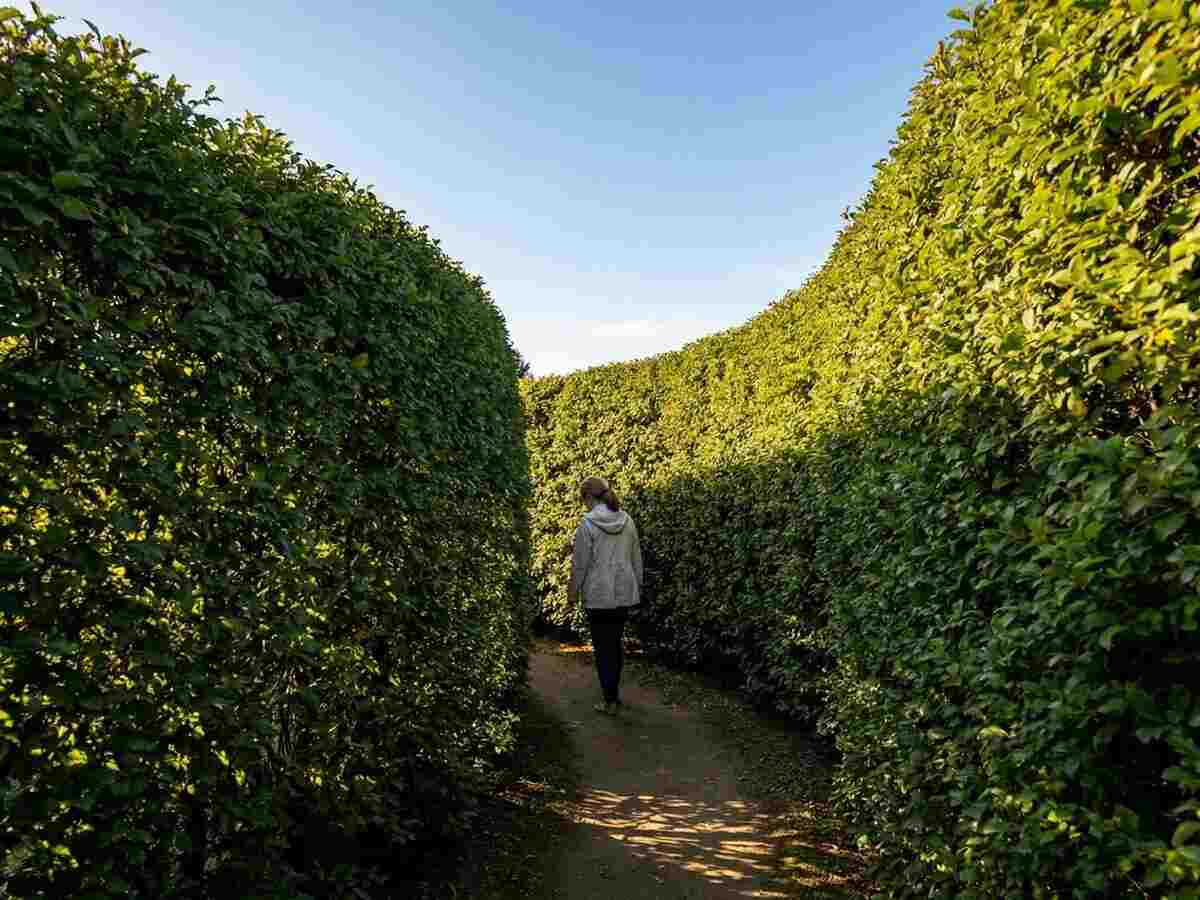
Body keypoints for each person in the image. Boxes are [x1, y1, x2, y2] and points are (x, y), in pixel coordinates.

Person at [567, 476, 643, 715]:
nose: (583, 505)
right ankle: (614, 696)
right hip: (623, 593)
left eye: (583, 500)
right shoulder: (627, 520)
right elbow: (636, 557)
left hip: (598, 595)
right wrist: (637, 585)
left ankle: (609, 699)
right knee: (615, 643)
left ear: (589, 497)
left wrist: (572, 593)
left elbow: (580, 565)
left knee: (602, 647)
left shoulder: (587, 525)